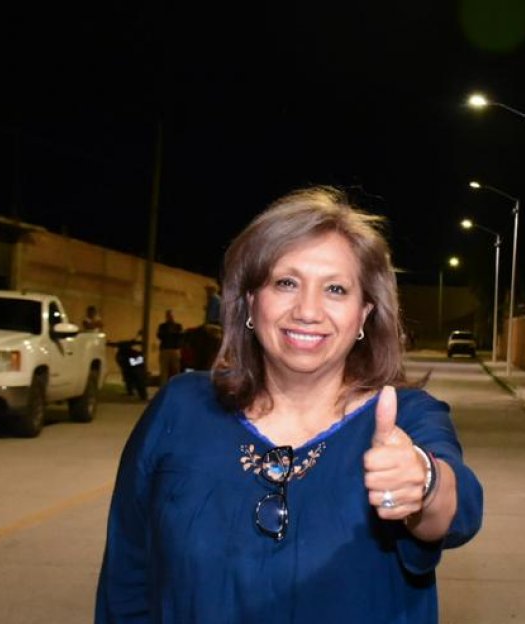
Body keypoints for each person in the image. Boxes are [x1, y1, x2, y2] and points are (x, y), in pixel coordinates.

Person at [96, 186, 483, 622]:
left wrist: (423, 482)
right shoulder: (179, 407)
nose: (308, 310)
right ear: (249, 300)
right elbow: (127, 577)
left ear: (364, 314)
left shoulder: (405, 417)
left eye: (336, 289)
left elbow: (455, 512)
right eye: (286, 283)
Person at [156, 309, 183, 386]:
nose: (170, 317)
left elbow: (180, 336)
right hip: (165, 349)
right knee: (164, 371)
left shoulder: (178, 326)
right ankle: (163, 387)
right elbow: (160, 336)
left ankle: (176, 386)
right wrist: (171, 334)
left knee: (176, 370)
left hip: (175, 350)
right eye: (169, 315)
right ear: (166, 317)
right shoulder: (162, 326)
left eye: (171, 315)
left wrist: (171, 334)